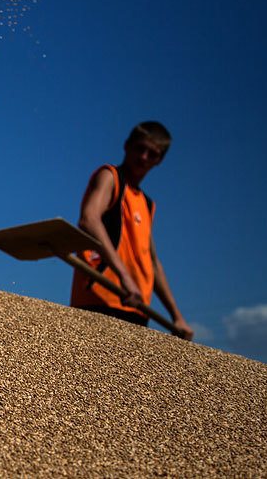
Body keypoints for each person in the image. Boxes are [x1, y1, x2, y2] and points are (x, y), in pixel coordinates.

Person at [70, 121, 194, 340]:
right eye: (140, 148)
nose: (144, 157)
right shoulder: (110, 177)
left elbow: (152, 263)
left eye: (152, 154)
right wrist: (125, 277)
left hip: (136, 306)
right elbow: (89, 220)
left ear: (159, 160)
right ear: (127, 146)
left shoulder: (146, 204)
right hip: (101, 299)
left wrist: (177, 317)